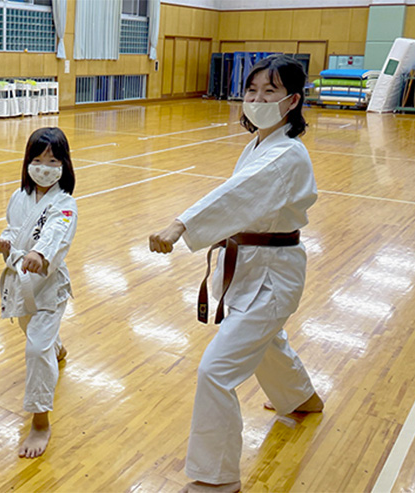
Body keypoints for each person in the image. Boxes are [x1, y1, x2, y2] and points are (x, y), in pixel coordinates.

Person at [148, 55, 324, 492]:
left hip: (272, 275)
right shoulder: (261, 144)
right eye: (252, 90)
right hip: (253, 267)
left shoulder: (286, 154)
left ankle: (216, 479)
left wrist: (181, 224)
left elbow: (234, 195)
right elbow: (240, 201)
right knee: (266, 342)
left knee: (215, 371)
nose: (258, 98)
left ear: (292, 101)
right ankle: (302, 399)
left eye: (270, 91)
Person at [0, 127, 77, 458]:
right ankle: (56, 347)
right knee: (35, 336)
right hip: (21, 285)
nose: (44, 166)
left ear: (63, 166)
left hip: (48, 287)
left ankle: (40, 421)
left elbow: (56, 232)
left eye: (52, 160)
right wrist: (5, 242)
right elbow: (13, 228)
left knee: (34, 351)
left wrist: (39, 254)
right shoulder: (19, 196)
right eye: (38, 160)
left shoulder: (66, 204)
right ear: (28, 162)